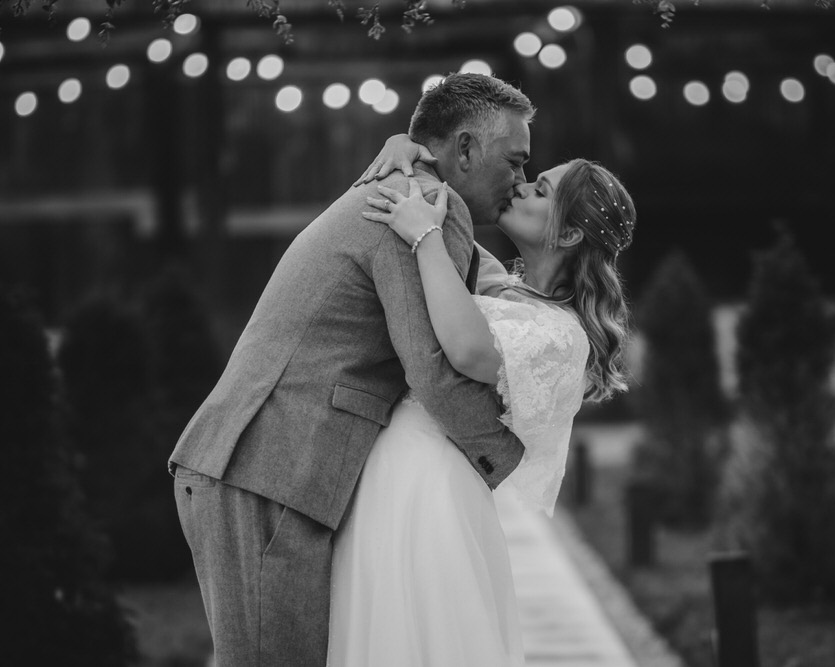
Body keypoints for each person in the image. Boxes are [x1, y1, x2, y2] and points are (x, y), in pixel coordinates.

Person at [168, 73, 533, 666]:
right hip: (266, 469)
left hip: (263, 467)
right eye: (514, 161)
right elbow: (434, 369)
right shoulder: (426, 210)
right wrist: (512, 458)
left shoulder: (406, 191)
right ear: (464, 149)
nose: (519, 180)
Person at [326, 133, 636, 665]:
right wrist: (406, 142)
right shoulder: (503, 282)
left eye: (540, 189)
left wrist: (424, 239)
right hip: (386, 469)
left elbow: (467, 348)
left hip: (432, 483)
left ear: (569, 233)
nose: (518, 186)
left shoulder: (563, 336)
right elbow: (447, 207)